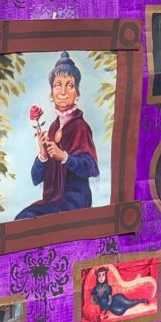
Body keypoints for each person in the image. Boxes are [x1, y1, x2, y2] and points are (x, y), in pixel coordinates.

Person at [15, 52, 99, 220]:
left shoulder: (81, 127)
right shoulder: (53, 128)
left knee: (27, 218)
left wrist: (64, 157)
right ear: (51, 93)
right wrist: (43, 155)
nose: (63, 92)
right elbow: (35, 178)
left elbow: (92, 168)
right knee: (21, 218)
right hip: (53, 199)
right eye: (57, 85)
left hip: (75, 202)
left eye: (70, 85)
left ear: (77, 92)